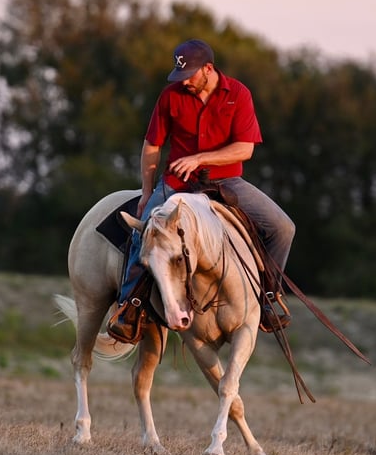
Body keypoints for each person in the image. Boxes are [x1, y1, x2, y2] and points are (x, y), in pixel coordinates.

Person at [107, 38, 295, 341]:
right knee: (144, 232)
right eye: (180, 76)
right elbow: (152, 144)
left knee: (283, 227)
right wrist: (146, 192)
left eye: (190, 75)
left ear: (208, 68)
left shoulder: (238, 94)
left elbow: (244, 149)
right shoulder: (171, 96)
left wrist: (200, 158)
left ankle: (270, 296)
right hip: (177, 183)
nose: (185, 82)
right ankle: (130, 306)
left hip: (226, 181)